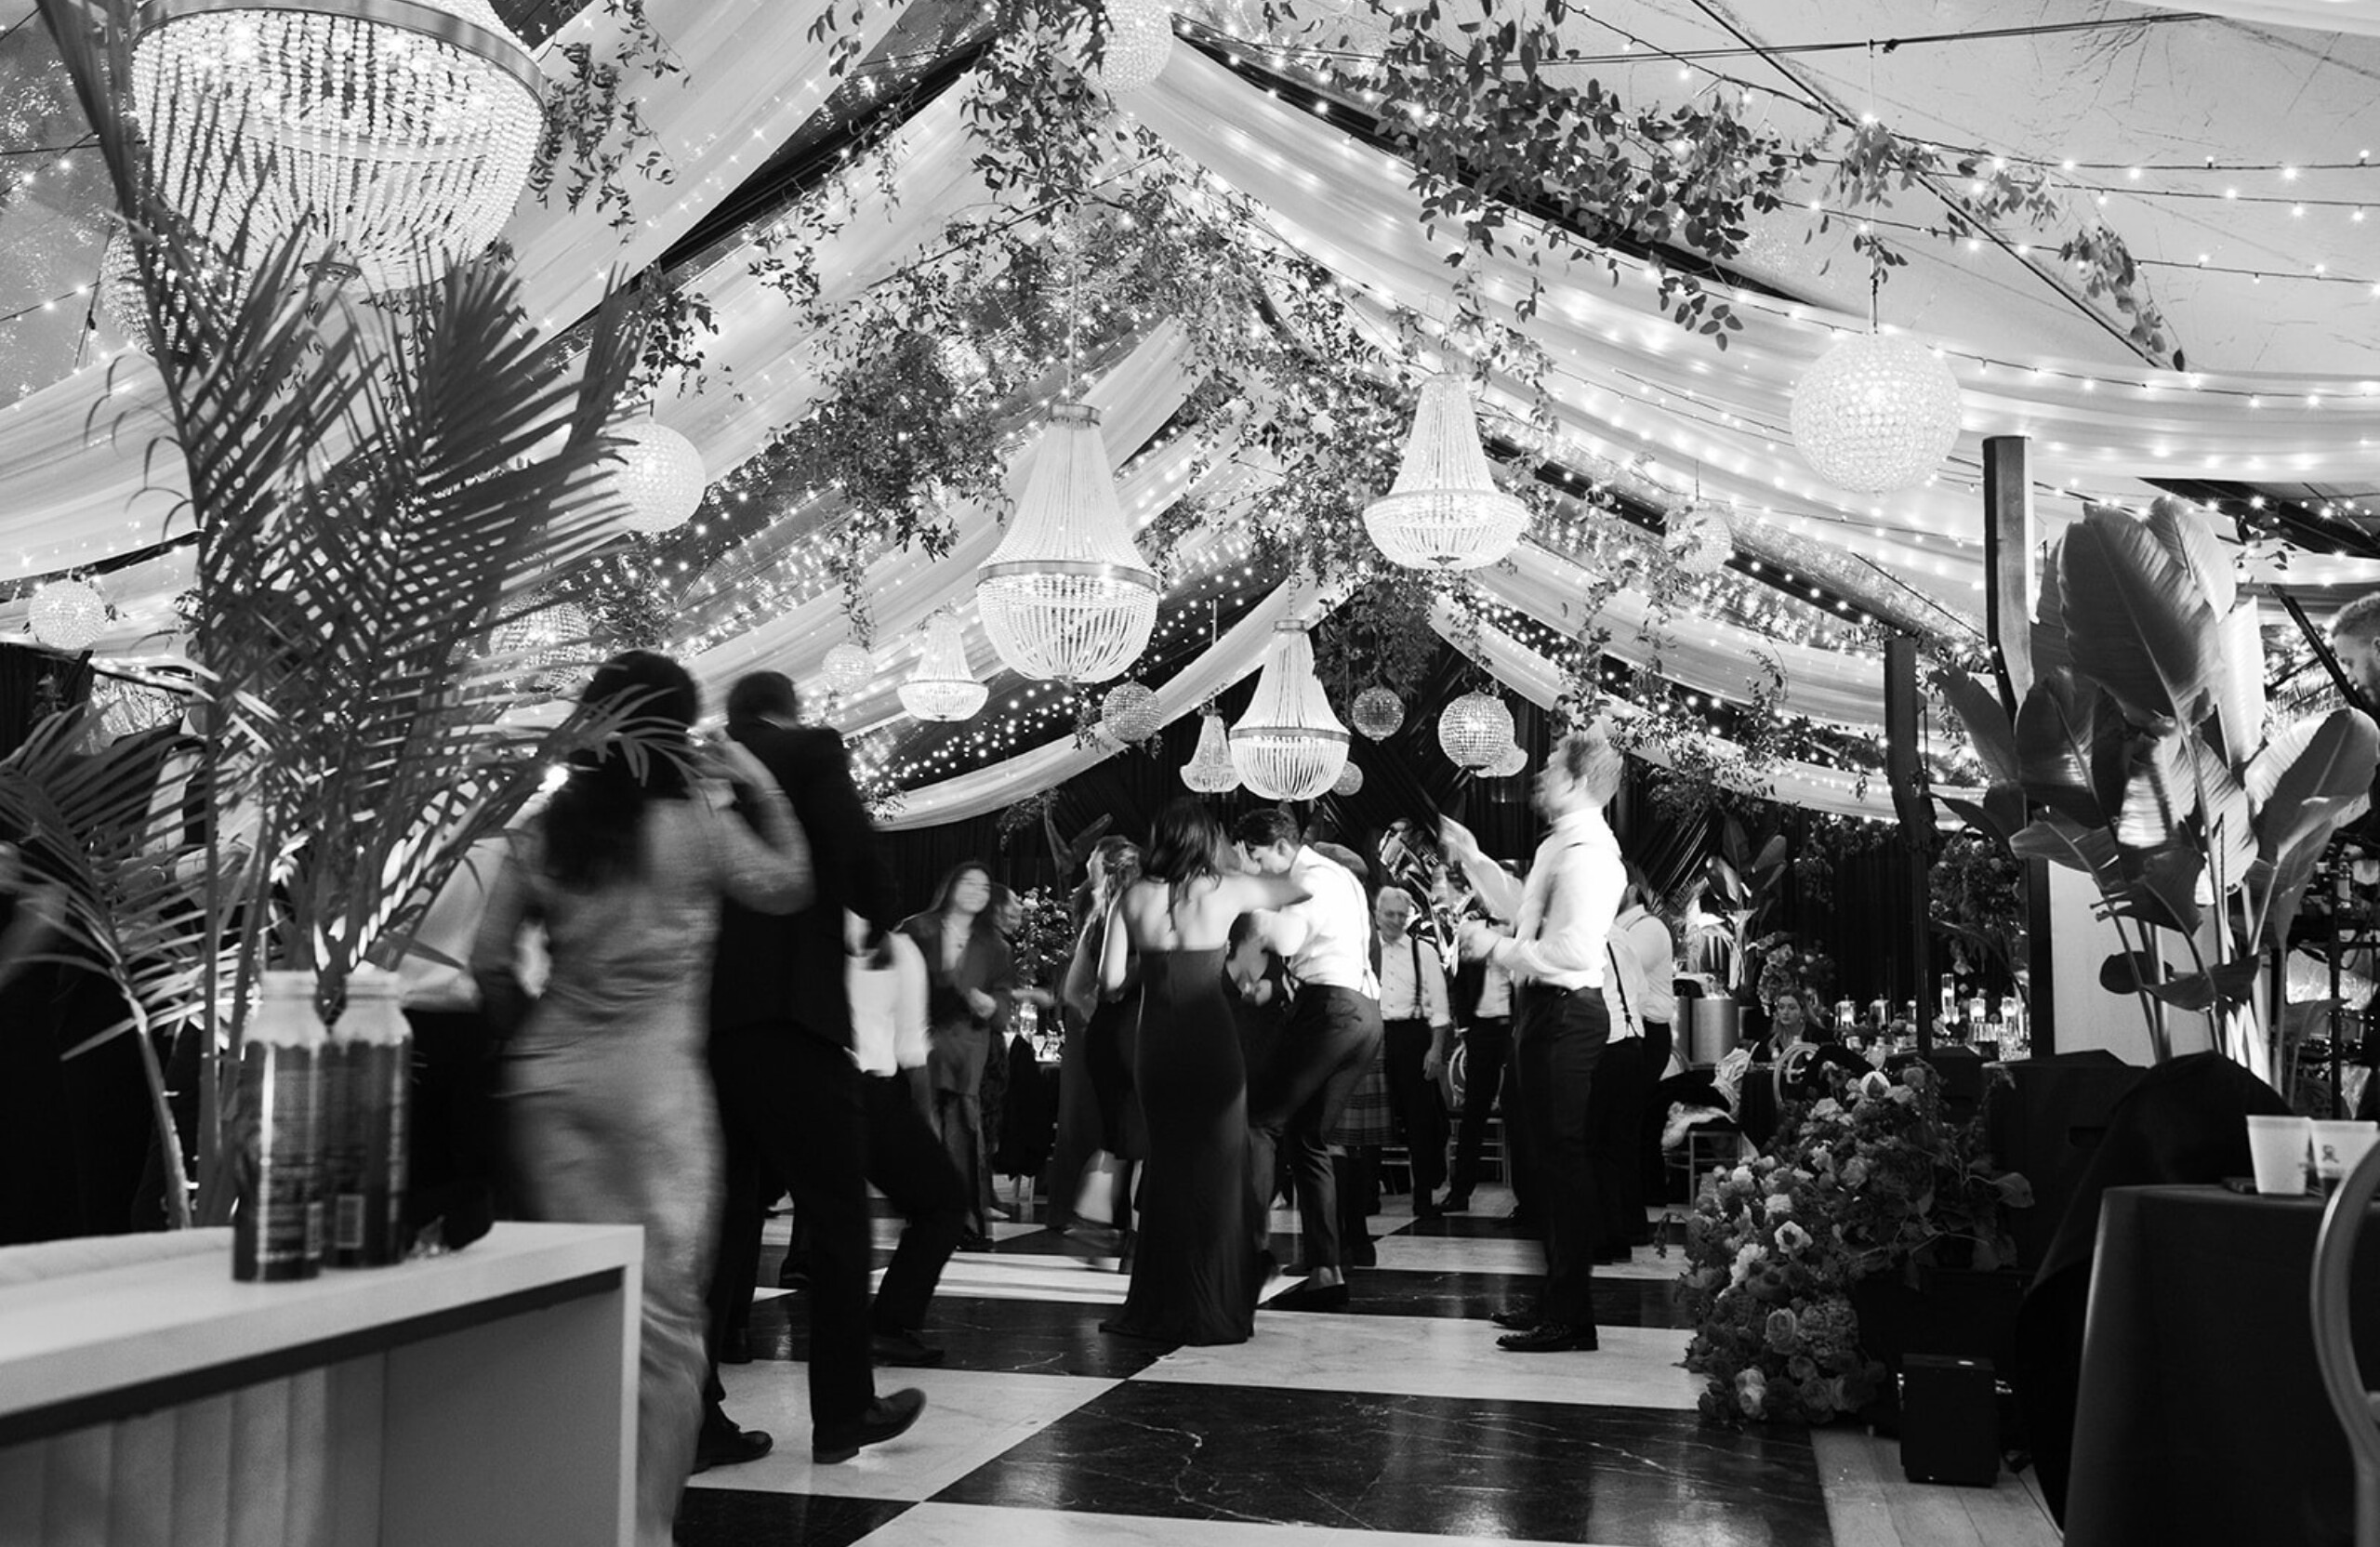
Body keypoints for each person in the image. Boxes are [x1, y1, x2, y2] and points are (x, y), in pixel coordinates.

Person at [469, 652, 813, 1545]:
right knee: (662, 1330)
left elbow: (488, 960)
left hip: (545, 1084)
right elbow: (787, 886)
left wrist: (526, 1043)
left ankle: (548, 1518)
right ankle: (641, 1532)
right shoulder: (697, 820)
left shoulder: (549, 826)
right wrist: (757, 785)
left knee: (557, 1312)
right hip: (654, 1092)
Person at [701, 668, 922, 1470]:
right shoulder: (809, 751)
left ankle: (696, 1415)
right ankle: (841, 1412)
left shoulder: (701, 762)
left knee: (720, 1222)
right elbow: (859, 858)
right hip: (793, 1014)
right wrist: (875, 911)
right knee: (834, 1216)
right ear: (787, 708)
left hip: (706, 1022)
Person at [1444, 725, 1629, 1355]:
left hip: (1564, 1015)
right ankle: (1556, 1298)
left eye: (1550, 768)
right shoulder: (1563, 845)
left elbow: (1572, 950)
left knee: (1561, 1168)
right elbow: (1525, 907)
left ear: (1577, 781)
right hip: (1541, 1014)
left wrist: (1492, 947)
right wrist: (1471, 857)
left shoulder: (1589, 854)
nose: (1540, 776)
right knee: (1540, 1169)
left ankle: (1572, 1317)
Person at [1099, 798, 1307, 1344]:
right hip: (1209, 1042)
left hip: (1155, 1045)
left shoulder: (1130, 894)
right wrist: (1245, 865)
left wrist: (1158, 960)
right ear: (1205, 839)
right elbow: (1296, 888)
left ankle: (1157, 1305)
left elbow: (1110, 980)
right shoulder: (1225, 889)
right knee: (1219, 1172)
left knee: (1166, 1171)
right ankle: (1214, 1303)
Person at [1234, 808, 1381, 1311]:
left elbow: (1290, 939)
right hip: (1363, 1014)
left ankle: (1250, 1256)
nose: (1254, 868)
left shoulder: (1311, 877)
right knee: (1308, 1140)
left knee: (1259, 1123)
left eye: (1254, 857)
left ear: (1278, 847)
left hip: (1332, 1012)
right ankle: (1326, 1273)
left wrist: (1249, 905)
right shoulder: (1336, 874)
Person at [901, 861, 1015, 1247]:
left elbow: (1003, 998)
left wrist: (992, 1005)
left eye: (984, 888)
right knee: (920, 1130)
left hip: (967, 1044)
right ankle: (922, 1214)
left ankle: (966, 1223)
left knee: (963, 1133)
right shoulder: (917, 928)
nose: (976, 892)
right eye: (969, 883)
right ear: (950, 885)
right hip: (920, 1040)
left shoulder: (996, 946)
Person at [1437, 866, 1517, 1217]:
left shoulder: (1523, 929)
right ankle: (1460, 1192)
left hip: (1518, 1029)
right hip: (1484, 1030)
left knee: (1522, 1112)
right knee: (1474, 1112)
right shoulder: (1470, 930)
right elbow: (1459, 982)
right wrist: (1466, 1028)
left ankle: (1528, 1199)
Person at [1372, 885, 1453, 1220]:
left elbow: (1440, 1008)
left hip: (1412, 1037)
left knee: (1420, 1122)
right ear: (1377, 915)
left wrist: (1435, 1049)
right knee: (1371, 1120)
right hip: (1373, 1036)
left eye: (1400, 915)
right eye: (1388, 914)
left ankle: (1423, 1199)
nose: (1394, 920)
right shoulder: (1364, 949)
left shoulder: (1425, 952)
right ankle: (1366, 1197)